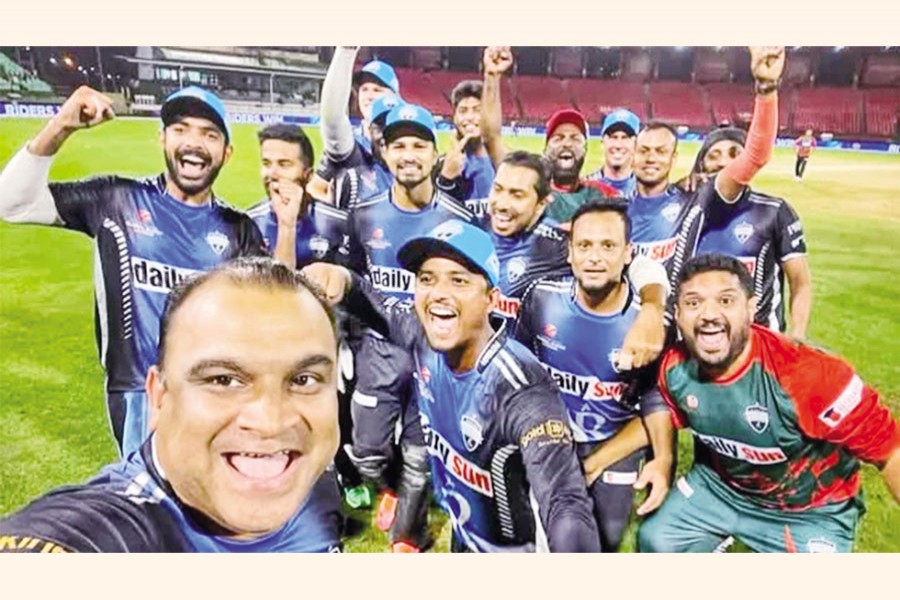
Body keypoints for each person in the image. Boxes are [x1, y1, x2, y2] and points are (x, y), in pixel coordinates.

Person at [0, 85, 274, 456]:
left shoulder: (239, 229)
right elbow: (11, 204)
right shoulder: (117, 200)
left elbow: (265, 319)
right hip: (137, 397)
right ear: (162, 138)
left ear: (226, 152)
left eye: (209, 134)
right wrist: (61, 126)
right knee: (148, 491)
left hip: (213, 396)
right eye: (181, 129)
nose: (194, 143)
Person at [0, 258, 344, 552]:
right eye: (223, 380)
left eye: (304, 380)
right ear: (159, 397)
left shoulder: (311, 479)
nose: (272, 423)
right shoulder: (108, 529)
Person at [303, 221, 601, 552]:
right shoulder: (424, 337)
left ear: (491, 299)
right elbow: (377, 307)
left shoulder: (521, 389)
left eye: (458, 280)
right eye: (426, 279)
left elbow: (564, 500)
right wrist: (342, 279)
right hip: (465, 538)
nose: (438, 293)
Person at [638, 254, 900, 553]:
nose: (709, 314)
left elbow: (890, 451)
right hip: (720, 489)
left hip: (809, 510)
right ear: (678, 313)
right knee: (656, 541)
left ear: (751, 308)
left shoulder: (807, 374)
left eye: (726, 301)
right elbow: (664, 416)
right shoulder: (676, 365)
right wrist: (613, 461)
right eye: (694, 303)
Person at [344, 103, 476, 552]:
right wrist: (348, 337)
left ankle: (408, 535)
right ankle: (391, 488)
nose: (408, 155)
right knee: (368, 453)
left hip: (432, 357)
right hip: (378, 353)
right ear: (384, 153)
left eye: (419, 145)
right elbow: (354, 278)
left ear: (435, 155)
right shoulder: (364, 214)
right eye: (398, 145)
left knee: (420, 456)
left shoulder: (458, 219)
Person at [513, 200, 673, 551]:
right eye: (584, 246)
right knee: (550, 533)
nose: (595, 257)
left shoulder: (649, 324)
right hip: (551, 436)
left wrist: (600, 462)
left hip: (615, 440)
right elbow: (517, 375)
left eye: (608, 246)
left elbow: (656, 403)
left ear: (628, 253)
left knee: (607, 536)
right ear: (569, 253)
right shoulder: (541, 299)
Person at [481, 150, 670, 371]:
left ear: (541, 204)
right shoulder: (475, 229)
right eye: (498, 189)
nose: (502, 204)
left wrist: (652, 309)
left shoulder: (556, 245)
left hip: (519, 371)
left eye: (517, 195)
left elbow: (642, 265)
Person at [629, 47, 785, 295]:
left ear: (673, 158)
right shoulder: (617, 207)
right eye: (644, 150)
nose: (651, 158)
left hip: (673, 316)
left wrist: (766, 87)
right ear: (632, 156)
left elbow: (756, 156)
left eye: (660, 151)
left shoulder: (695, 199)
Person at [684, 126, 813, 338]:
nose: (723, 162)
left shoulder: (774, 211)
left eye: (734, 154)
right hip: (699, 342)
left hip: (761, 342)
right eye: (713, 156)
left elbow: (800, 281)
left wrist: (797, 334)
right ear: (701, 164)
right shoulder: (685, 210)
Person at [480, 46, 619, 229]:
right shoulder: (528, 182)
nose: (567, 143)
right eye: (558, 138)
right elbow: (491, 137)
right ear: (545, 149)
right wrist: (491, 76)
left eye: (575, 138)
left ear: (586, 148)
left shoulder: (603, 195)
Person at [246, 123, 349, 269]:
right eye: (266, 163)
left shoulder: (339, 224)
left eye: (284, 164)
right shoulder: (248, 224)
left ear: (308, 175)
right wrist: (286, 226)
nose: (272, 174)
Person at [306, 47, 400, 202]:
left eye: (377, 90)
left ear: (395, 96)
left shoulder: (410, 137)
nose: (369, 96)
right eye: (364, 89)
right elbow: (315, 189)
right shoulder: (350, 141)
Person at [331, 94, 402, 209]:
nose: (386, 134)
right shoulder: (354, 174)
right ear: (369, 130)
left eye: (394, 127)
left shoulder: (422, 176)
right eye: (380, 127)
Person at [434, 80, 495, 203]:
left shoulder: (505, 163)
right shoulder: (440, 166)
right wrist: (446, 178)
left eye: (477, 110)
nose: (470, 117)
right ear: (455, 118)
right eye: (463, 111)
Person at [585, 107, 641, 198]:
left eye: (625, 137)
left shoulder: (649, 190)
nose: (618, 145)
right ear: (602, 142)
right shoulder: (584, 188)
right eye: (613, 137)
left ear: (636, 144)